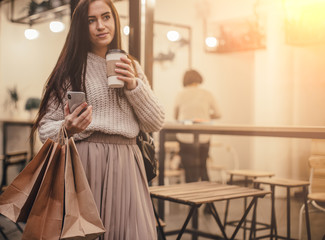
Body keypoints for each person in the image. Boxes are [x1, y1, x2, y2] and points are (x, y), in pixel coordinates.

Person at [32, 0, 165, 239]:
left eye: (106, 17)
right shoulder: (71, 68)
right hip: (86, 163)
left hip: (127, 162)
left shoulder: (131, 65)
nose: (100, 26)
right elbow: (45, 129)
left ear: (115, 20)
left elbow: (155, 123)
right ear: (81, 28)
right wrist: (68, 128)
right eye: (91, 21)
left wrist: (134, 85)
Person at [174, 69, 221, 183]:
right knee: (203, 167)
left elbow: (176, 116)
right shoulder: (207, 94)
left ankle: (191, 197)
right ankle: (208, 199)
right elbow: (218, 114)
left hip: (185, 137)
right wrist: (205, 117)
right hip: (204, 136)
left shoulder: (181, 94)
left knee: (189, 171)